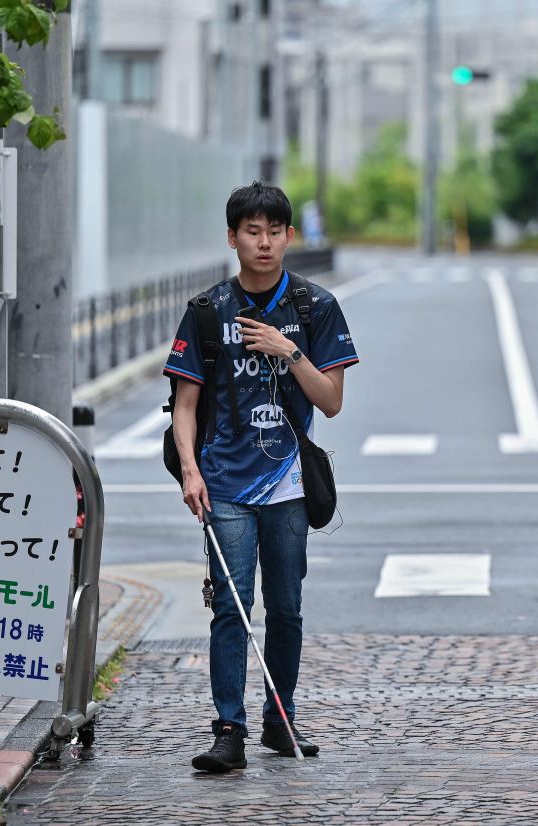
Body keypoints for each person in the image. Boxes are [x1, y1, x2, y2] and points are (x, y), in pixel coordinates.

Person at [164, 181, 359, 774]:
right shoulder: (207, 311)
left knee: (287, 608)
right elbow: (184, 406)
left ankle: (280, 716)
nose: (265, 242)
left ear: (290, 236)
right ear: (233, 238)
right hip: (223, 482)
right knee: (232, 607)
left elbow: (331, 402)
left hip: (289, 485)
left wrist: (287, 351)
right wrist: (190, 472)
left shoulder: (314, 307)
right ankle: (229, 729)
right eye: (253, 231)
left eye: (275, 231)